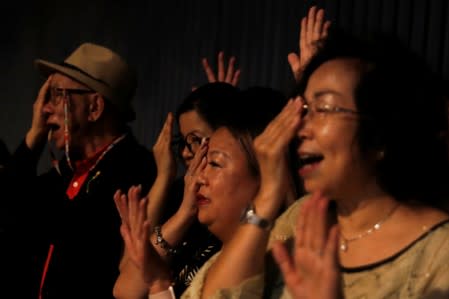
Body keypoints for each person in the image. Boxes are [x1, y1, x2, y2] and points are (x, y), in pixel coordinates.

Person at [188, 29, 449, 299]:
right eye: (304, 111)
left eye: (323, 109)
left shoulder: (438, 253)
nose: (301, 128)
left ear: (382, 131)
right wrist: (266, 198)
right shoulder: (303, 218)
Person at [1, 43, 157, 299]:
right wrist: (34, 137)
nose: (45, 109)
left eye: (58, 95)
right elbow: (6, 213)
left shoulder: (135, 171)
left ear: (94, 108)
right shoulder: (65, 172)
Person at [114, 52, 243, 298]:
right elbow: (125, 286)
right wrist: (165, 179)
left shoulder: (236, 211)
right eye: (182, 142)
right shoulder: (183, 196)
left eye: (195, 140)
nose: (185, 152)